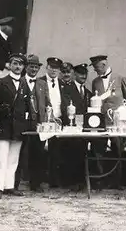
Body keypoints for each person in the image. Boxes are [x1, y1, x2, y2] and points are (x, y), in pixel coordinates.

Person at [0, 53, 30, 200]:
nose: (18, 66)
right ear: (10, 65)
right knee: (1, 158)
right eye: (15, 63)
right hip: (3, 126)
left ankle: (9, 186)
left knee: (13, 159)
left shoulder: (25, 84)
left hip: (18, 127)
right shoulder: (0, 82)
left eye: (20, 64)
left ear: (23, 66)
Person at [90, 54, 126, 188]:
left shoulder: (120, 79)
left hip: (117, 123)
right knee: (98, 150)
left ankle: (117, 181)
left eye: (96, 68)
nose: (95, 71)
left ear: (103, 65)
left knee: (118, 150)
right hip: (101, 122)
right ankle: (100, 180)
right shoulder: (95, 82)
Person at [15, 54, 50, 192]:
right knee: (20, 153)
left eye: (36, 67)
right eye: (31, 66)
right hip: (23, 124)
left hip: (39, 124)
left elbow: (48, 103)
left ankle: (35, 184)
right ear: (26, 67)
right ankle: (15, 184)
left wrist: (48, 117)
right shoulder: (20, 81)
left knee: (38, 153)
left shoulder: (42, 84)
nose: (34, 69)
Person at [60, 63, 92, 191]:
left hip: (83, 128)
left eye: (85, 74)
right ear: (74, 74)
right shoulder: (67, 89)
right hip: (71, 127)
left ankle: (80, 181)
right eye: (80, 73)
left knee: (81, 153)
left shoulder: (88, 92)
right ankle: (70, 183)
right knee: (71, 153)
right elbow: (65, 107)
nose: (83, 76)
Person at [40, 57, 67, 188]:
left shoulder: (62, 84)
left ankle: (54, 181)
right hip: (43, 121)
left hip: (58, 122)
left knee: (56, 152)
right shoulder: (39, 81)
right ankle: (37, 182)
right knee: (39, 151)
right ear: (47, 67)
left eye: (56, 68)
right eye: (51, 67)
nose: (54, 70)